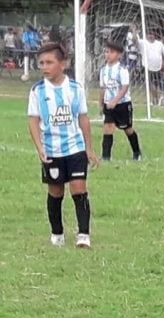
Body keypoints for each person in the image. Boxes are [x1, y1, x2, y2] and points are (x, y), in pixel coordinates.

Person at [27, 42, 99, 248]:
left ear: (63, 64)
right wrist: (39, 147)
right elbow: (33, 120)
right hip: (51, 150)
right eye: (41, 63)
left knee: (78, 189)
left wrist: (88, 147)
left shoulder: (75, 89)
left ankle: (83, 235)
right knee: (56, 192)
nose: (44, 67)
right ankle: (57, 234)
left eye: (49, 62)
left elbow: (83, 118)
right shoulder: (37, 91)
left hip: (75, 148)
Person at [99, 40, 142, 161]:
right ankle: (105, 157)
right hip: (109, 105)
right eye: (106, 52)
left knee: (127, 129)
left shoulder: (122, 70)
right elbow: (102, 88)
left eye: (111, 52)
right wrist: (101, 103)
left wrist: (115, 100)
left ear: (119, 55)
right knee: (108, 128)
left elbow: (124, 87)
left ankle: (137, 152)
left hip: (122, 104)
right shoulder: (103, 70)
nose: (108, 54)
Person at [137, 30, 164, 106]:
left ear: (155, 36)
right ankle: (155, 99)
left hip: (158, 68)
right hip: (147, 68)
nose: (150, 36)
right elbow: (134, 40)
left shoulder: (159, 44)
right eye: (149, 34)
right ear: (146, 35)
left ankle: (155, 100)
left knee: (156, 86)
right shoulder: (143, 42)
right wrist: (134, 31)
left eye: (152, 34)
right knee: (150, 85)